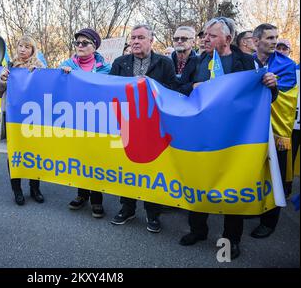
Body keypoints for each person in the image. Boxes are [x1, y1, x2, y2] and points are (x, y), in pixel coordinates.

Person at [177, 17, 278, 260]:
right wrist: (193, 86)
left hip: (235, 137)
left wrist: (272, 85)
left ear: (228, 39)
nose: (205, 39)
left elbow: (266, 98)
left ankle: (231, 239)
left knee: (232, 184)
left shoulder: (247, 62)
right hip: (202, 136)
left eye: (211, 36)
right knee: (198, 182)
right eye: (205, 35)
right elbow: (179, 89)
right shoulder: (198, 60)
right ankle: (198, 230)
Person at [109, 24, 177, 233]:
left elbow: (172, 90)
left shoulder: (164, 63)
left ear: (151, 41)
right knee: (127, 166)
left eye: (141, 37)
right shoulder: (120, 63)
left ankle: (152, 212)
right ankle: (127, 208)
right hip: (127, 123)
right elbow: (109, 87)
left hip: (152, 124)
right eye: (133, 38)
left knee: (152, 168)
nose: (135, 41)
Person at [250, 24, 297, 239]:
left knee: (274, 175)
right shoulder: (245, 61)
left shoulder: (286, 65)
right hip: (250, 129)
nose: (274, 41)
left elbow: (285, 98)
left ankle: (269, 221)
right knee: (252, 174)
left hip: (275, 130)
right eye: (269, 37)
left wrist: (271, 86)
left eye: (276, 37)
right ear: (256, 40)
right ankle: (252, 208)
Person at [59, 28, 111, 218]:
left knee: (96, 159)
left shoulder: (107, 68)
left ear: (94, 46)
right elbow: (53, 84)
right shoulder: (66, 65)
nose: (80, 46)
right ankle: (81, 195)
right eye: (77, 43)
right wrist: (62, 75)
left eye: (84, 43)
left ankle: (97, 200)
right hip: (75, 119)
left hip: (98, 120)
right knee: (79, 157)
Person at [0, 35, 45, 206]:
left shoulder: (40, 68)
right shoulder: (9, 67)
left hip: (33, 118)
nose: (22, 49)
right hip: (13, 118)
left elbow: (46, 90)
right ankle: (17, 189)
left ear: (33, 50)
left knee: (35, 153)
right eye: (20, 46)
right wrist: (2, 80)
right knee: (14, 154)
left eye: (27, 47)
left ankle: (35, 188)